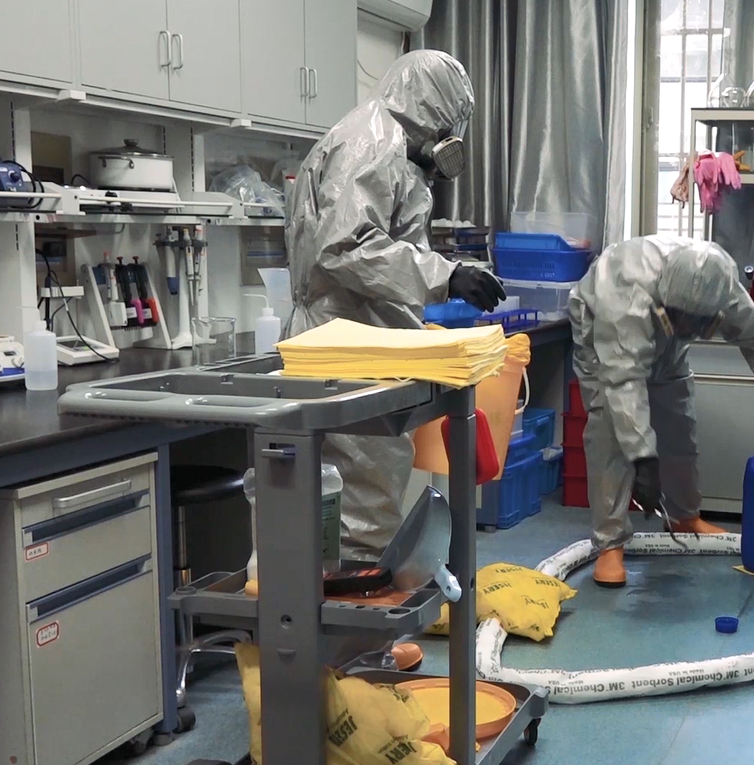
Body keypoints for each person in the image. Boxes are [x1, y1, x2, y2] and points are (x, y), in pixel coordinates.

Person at [285, 50, 505, 668]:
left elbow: (380, 248)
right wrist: (446, 275)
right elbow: (344, 248)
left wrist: (432, 289)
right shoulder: (373, 141)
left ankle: (348, 650)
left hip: (360, 342)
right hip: (346, 346)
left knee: (356, 499)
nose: (451, 137)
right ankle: (348, 661)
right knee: (357, 506)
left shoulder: (389, 146)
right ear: (432, 106)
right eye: (451, 121)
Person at [569, 235, 754, 588]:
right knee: (610, 430)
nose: (689, 330)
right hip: (600, 331)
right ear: (668, 303)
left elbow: (753, 330)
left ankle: (683, 517)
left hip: (663, 339)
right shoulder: (627, 299)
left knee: (679, 421)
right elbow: (624, 381)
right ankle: (610, 542)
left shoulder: (720, 288)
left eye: (698, 324)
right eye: (682, 321)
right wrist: (643, 459)